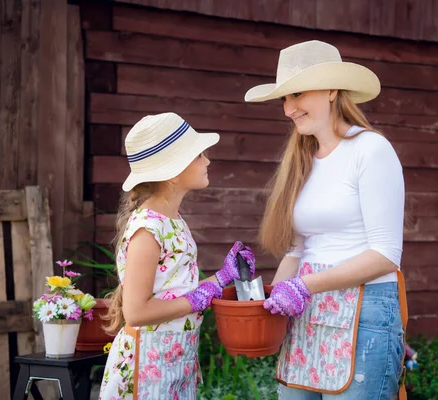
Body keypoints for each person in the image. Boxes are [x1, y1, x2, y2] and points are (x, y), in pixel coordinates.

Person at [245, 40, 408, 399]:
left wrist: (305, 286)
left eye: (297, 94)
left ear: (333, 89)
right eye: (284, 99)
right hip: (306, 314)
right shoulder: (302, 160)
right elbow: (297, 249)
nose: (288, 109)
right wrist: (267, 304)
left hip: (364, 313)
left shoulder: (370, 149)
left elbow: (385, 254)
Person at [98, 112, 255, 399]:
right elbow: (136, 312)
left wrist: (221, 278)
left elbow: (174, 289)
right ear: (173, 171)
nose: (207, 161)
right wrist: (196, 299)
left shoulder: (174, 221)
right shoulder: (147, 229)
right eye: (198, 156)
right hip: (146, 367)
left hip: (174, 358)